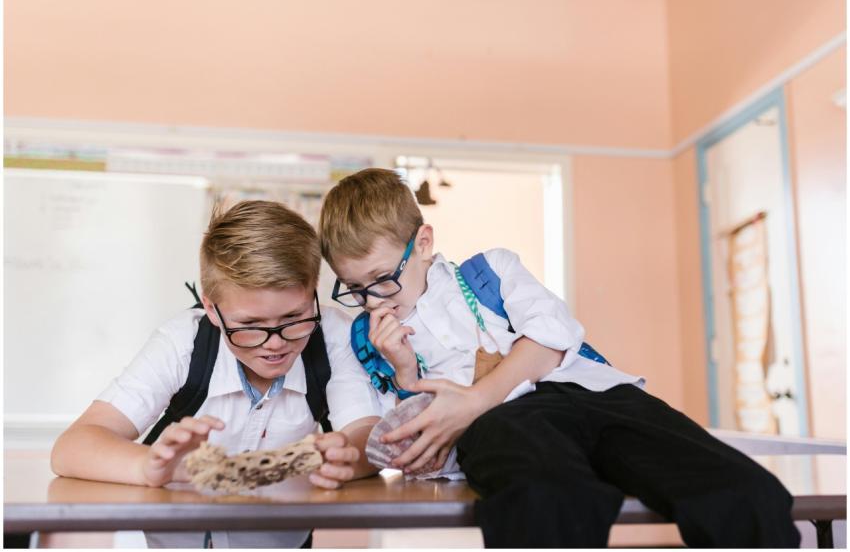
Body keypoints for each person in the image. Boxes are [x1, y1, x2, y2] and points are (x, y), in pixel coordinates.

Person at [317, 168, 800, 548]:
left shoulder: (492, 270)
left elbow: (553, 336)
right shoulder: (366, 343)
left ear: (422, 243)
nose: (373, 300)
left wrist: (474, 400)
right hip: (508, 424)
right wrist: (406, 374)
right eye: (355, 289)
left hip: (598, 394)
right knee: (547, 503)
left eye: (382, 278)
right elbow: (421, 455)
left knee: (742, 490)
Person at [51, 200, 382, 548]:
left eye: (294, 319)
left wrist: (349, 455)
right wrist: (153, 466)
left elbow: (365, 431)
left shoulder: (334, 336)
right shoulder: (183, 342)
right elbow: (72, 448)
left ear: (313, 290)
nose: (275, 344)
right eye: (249, 325)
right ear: (211, 308)